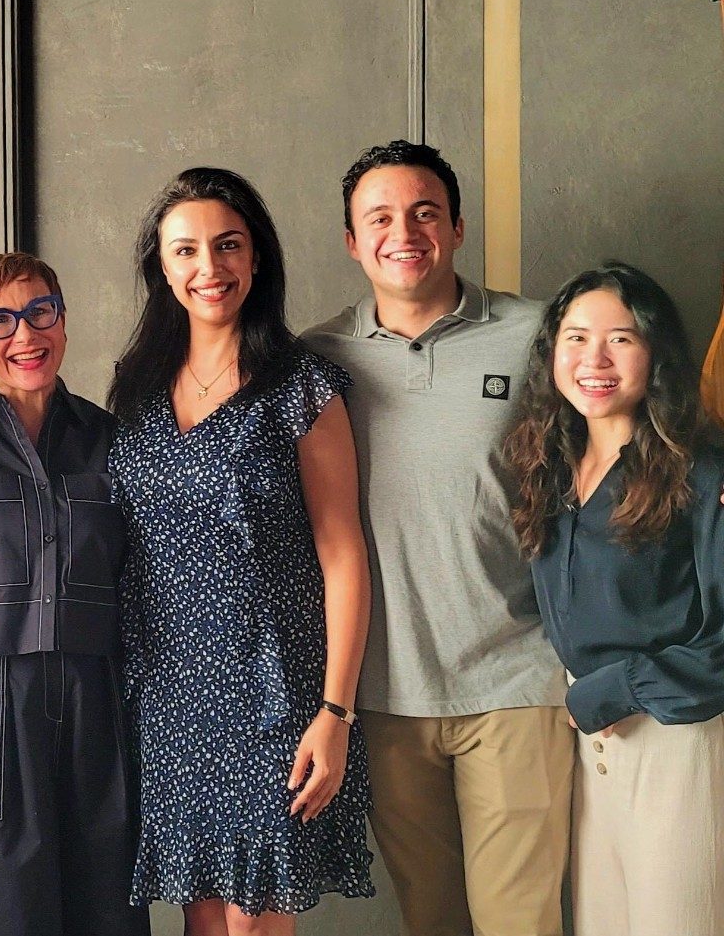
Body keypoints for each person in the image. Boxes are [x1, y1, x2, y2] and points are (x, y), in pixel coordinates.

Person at [302, 140, 572, 936]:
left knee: (518, 921)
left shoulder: (535, 334)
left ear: (456, 226)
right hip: (384, 696)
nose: (404, 231)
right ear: (353, 241)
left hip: (517, 680)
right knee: (433, 920)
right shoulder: (317, 360)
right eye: (379, 216)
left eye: (425, 212)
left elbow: (610, 459)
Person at [108, 167, 374, 935]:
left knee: (254, 920)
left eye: (228, 246)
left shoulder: (302, 385)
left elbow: (343, 554)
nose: (209, 267)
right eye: (186, 250)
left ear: (257, 258)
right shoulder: (136, 388)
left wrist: (335, 711)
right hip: (168, 693)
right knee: (200, 915)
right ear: (163, 268)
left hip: (274, 694)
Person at [0, 252, 149, 936]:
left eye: (40, 310)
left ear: (63, 321)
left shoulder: (111, 438)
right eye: (0, 319)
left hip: (97, 697)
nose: (25, 334)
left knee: (105, 897)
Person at [505, 262, 724, 936]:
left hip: (674, 738)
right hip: (586, 750)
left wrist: (617, 687)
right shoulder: (547, 464)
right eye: (575, 337)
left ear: (655, 352)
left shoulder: (702, 470)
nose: (594, 358)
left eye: (621, 339)